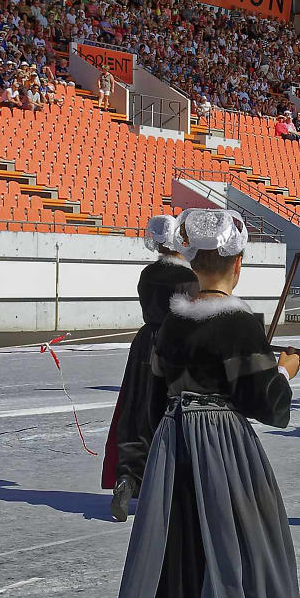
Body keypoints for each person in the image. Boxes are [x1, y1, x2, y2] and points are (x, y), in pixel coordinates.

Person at [110, 209, 300, 598]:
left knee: (177, 553)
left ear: (192, 259)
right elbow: (264, 401)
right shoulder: (237, 321)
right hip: (222, 445)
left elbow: (151, 390)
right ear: (237, 264)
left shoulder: (171, 319)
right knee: (243, 545)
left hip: (176, 440)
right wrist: (283, 370)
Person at [104, 215, 200, 521]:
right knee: (171, 413)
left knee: (136, 411)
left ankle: (126, 478)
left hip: (145, 345)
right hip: (176, 347)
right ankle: (168, 484)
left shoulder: (147, 275)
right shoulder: (190, 278)